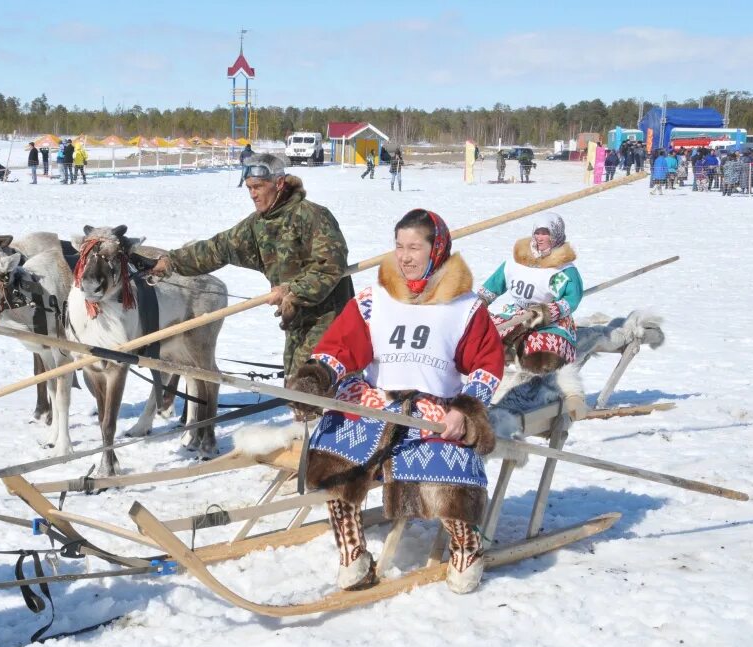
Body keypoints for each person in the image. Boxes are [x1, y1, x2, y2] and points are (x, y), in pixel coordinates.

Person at [286, 208, 504, 593]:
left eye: (414, 247)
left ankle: (467, 545)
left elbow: (487, 366)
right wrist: (313, 380)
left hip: (433, 408)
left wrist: (466, 410)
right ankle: (352, 552)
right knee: (336, 454)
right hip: (375, 401)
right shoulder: (374, 301)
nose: (404, 257)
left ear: (437, 250)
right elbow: (338, 349)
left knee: (444, 473)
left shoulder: (465, 307)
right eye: (399, 246)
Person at [148, 153, 352, 376]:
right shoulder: (258, 225)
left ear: (279, 183)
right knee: (297, 387)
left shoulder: (312, 216)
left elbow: (330, 265)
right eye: (249, 188)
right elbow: (218, 248)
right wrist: (171, 262)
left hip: (330, 318)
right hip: (295, 321)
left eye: (258, 187)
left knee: (314, 387)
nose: (253, 194)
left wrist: (292, 291)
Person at [478, 212, 582, 373]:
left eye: (545, 233)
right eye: (537, 232)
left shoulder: (561, 270)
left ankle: (540, 389)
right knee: (482, 340)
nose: (539, 238)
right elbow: (491, 287)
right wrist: (480, 302)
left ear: (556, 235)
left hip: (549, 322)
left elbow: (571, 300)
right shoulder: (517, 262)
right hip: (517, 314)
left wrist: (547, 312)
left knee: (541, 358)